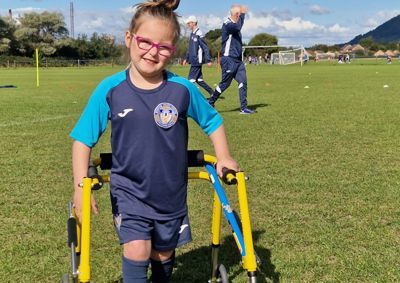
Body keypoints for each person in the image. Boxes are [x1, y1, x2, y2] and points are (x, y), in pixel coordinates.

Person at [69, 0, 240, 282]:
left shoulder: (181, 89)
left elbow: (212, 121)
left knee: (162, 255)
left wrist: (224, 156)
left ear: (173, 51)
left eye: (163, 47)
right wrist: (79, 186)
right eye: (145, 42)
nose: (152, 52)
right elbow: (83, 140)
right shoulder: (110, 89)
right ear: (129, 39)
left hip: (170, 193)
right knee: (137, 249)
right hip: (129, 190)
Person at [208, 4, 255, 114]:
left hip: (238, 61)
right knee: (225, 84)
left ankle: (243, 108)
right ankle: (211, 102)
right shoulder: (228, 24)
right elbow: (238, 27)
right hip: (228, 59)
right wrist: (243, 14)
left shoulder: (235, 24)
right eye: (239, 14)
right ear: (237, 14)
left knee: (243, 82)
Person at [183, 15, 214, 96]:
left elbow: (205, 48)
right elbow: (190, 48)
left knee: (190, 80)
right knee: (199, 80)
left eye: (189, 23)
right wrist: (186, 58)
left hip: (197, 60)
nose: (188, 25)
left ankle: (194, 98)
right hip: (193, 60)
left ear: (193, 23)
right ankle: (212, 93)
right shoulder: (192, 34)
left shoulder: (199, 33)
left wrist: (209, 60)